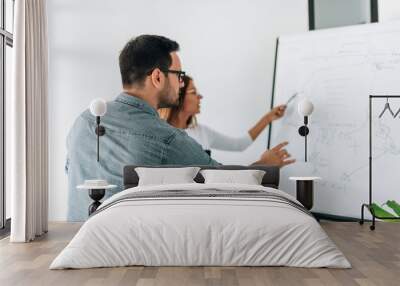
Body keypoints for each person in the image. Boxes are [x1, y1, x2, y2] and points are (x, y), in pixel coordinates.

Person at [66, 35, 295, 221]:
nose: (181, 83)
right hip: (126, 254)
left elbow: (73, 171)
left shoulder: (83, 120)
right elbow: (227, 183)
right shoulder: (166, 138)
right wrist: (265, 165)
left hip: (74, 246)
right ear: (157, 77)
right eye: (179, 75)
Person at [159, 75, 286, 154]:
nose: (200, 96)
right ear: (177, 97)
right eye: (193, 92)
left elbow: (239, 145)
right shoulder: (160, 134)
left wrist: (268, 118)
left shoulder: (202, 132)